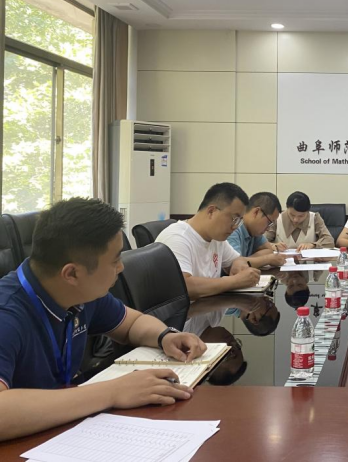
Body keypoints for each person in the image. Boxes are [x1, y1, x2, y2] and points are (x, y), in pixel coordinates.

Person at [0, 198, 207, 442]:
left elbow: (132, 324)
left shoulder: (81, 294)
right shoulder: (7, 314)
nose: (121, 268)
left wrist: (165, 336)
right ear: (72, 273)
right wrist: (114, 392)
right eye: (115, 260)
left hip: (63, 429)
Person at [155, 183, 260, 301]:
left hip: (208, 307)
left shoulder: (216, 238)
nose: (235, 227)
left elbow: (237, 259)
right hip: (186, 311)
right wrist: (235, 281)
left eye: (239, 221)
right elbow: (184, 286)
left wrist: (238, 266)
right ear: (211, 211)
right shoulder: (177, 238)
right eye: (234, 219)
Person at [227, 192, 288, 268]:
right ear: (256, 212)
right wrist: (267, 259)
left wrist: (244, 261)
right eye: (269, 222)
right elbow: (234, 265)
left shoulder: (254, 231)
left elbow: (268, 250)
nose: (268, 228)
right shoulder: (233, 229)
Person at [265, 191, 335, 251]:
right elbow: (261, 241)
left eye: (301, 216)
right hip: (280, 261)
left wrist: (313, 245)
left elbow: (329, 241)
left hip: (309, 261)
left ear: (308, 211)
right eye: (292, 215)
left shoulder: (314, 218)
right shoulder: (276, 218)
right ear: (287, 208)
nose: (295, 219)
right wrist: (273, 246)